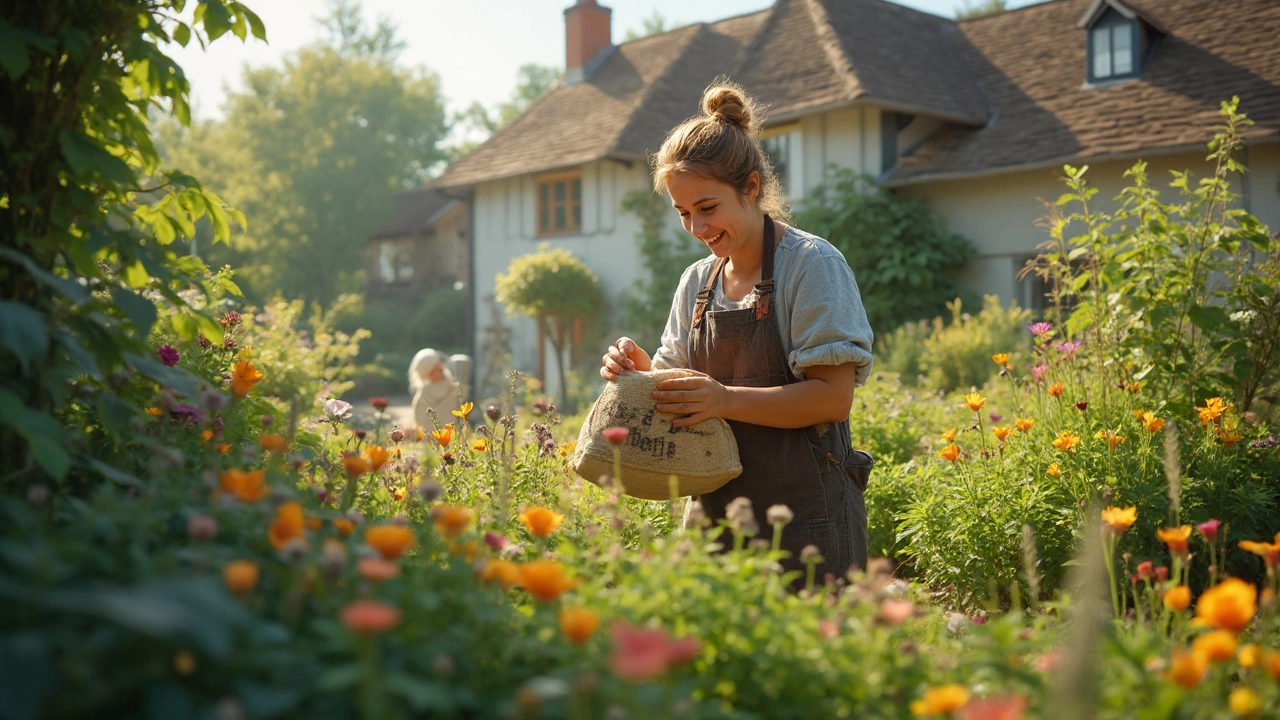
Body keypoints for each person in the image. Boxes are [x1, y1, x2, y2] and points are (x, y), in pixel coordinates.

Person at [600, 81, 875, 581]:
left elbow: (831, 399)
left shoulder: (811, 266)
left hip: (807, 522)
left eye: (707, 208)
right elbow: (680, 387)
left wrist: (723, 399)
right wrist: (638, 370)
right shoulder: (696, 282)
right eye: (683, 213)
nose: (696, 227)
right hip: (712, 520)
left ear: (751, 188)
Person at [409, 348, 461, 431]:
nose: (442, 368)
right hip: (434, 436)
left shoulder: (452, 384)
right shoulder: (424, 394)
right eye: (437, 369)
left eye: (440, 365)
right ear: (429, 373)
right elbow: (419, 419)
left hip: (452, 433)